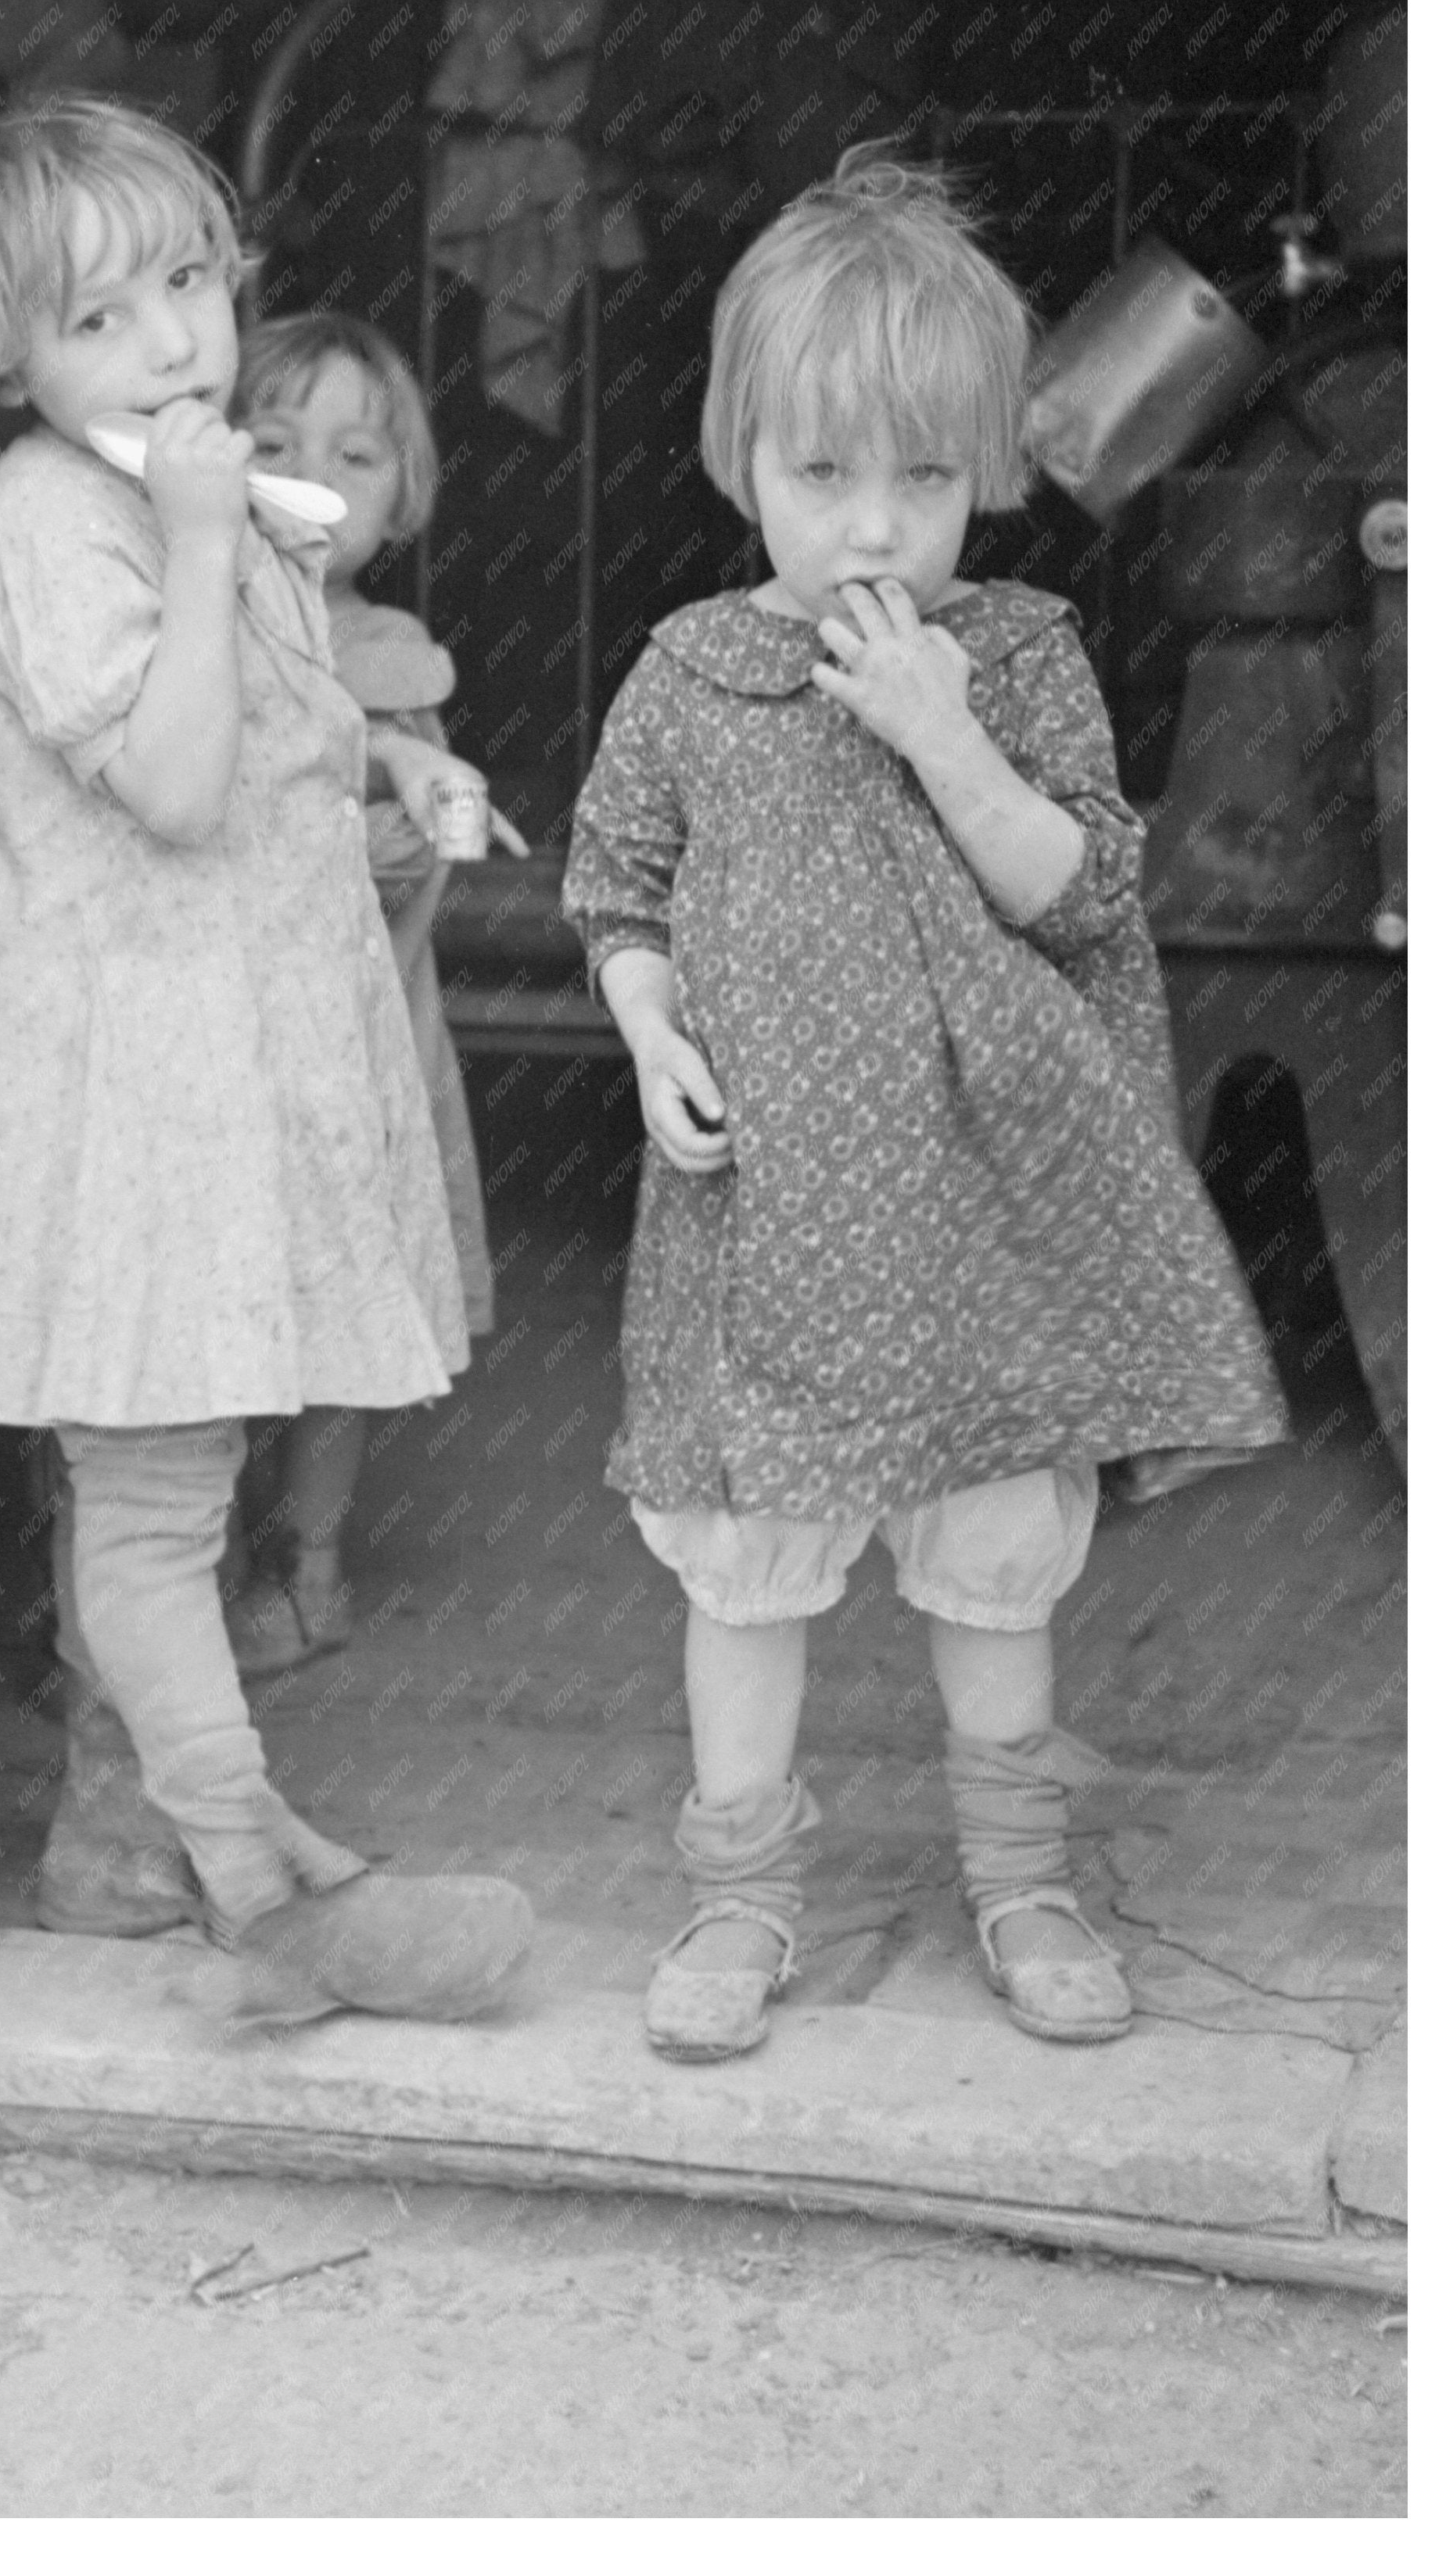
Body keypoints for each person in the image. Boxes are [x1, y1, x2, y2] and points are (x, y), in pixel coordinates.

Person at [561, 148, 1288, 2065]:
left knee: (989, 1562)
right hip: (771, 1230)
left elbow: (1082, 891)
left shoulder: (1022, 658)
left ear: (991, 471)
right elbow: (614, 892)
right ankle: (737, 1903)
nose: (875, 532)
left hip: (976, 1225)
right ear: (740, 464)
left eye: (926, 481)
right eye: (823, 479)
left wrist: (939, 728)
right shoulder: (692, 681)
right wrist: (650, 1028)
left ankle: (1023, 1877)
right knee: (750, 1564)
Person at [0, 93, 529, 2026]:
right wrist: (199, 543)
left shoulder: (198, 498)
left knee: (177, 1494)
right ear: (3, 354)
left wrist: (391, 753)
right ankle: (255, 1872)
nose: (175, 341)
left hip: (240, 1076)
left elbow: (272, 729)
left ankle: (165, 1849)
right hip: (139, 1101)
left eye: (186, 281)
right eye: (99, 319)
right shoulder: (52, 520)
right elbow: (175, 784)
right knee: (150, 1510)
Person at [221, 311, 498, 1674]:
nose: (312, 477)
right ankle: (190, 1571)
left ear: (405, 495)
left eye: (355, 455)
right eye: (271, 444)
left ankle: (310, 1562)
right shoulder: (190, 612)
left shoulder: (386, 654)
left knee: (338, 1315)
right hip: (226, 1057)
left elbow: (401, 861)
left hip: (357, 1047)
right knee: (220, 1317)